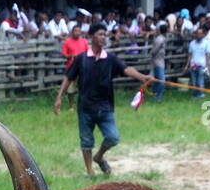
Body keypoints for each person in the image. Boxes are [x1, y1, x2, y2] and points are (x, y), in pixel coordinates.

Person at [53, 22, 151, 177]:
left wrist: (142, 77)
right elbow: (68, 78)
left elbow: (126, 69)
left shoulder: (110, 58)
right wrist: (59, 97)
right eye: (100, 34)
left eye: (105, 34)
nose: (103, 37)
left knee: (113, 137)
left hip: (105, 106)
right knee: (86, 141)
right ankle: (90, 172)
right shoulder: (81, 59)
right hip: (86, 107)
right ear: (91, 37)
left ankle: (99, 156)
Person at [188, 25, 210, 97]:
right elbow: (190, 54)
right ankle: (195, 94)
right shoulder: (192, 43)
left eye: (200, 33)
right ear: (195, 34)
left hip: (201, 64)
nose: (198, 35)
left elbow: (208, 54)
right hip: (193, 64)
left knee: (200, 80)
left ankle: (201, 94)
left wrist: (207, 64)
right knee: (194, 81)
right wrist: (187, 65)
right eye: (197, 33)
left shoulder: (206, 42)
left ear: (202, 34)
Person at [150, 21, 169, 102]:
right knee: (161, 81)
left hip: (160, 61)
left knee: (157, 80)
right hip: (157, 62)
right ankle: (157, 96)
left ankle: (156, 96)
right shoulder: (160, 39)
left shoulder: (162, 38)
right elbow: (153, 52)